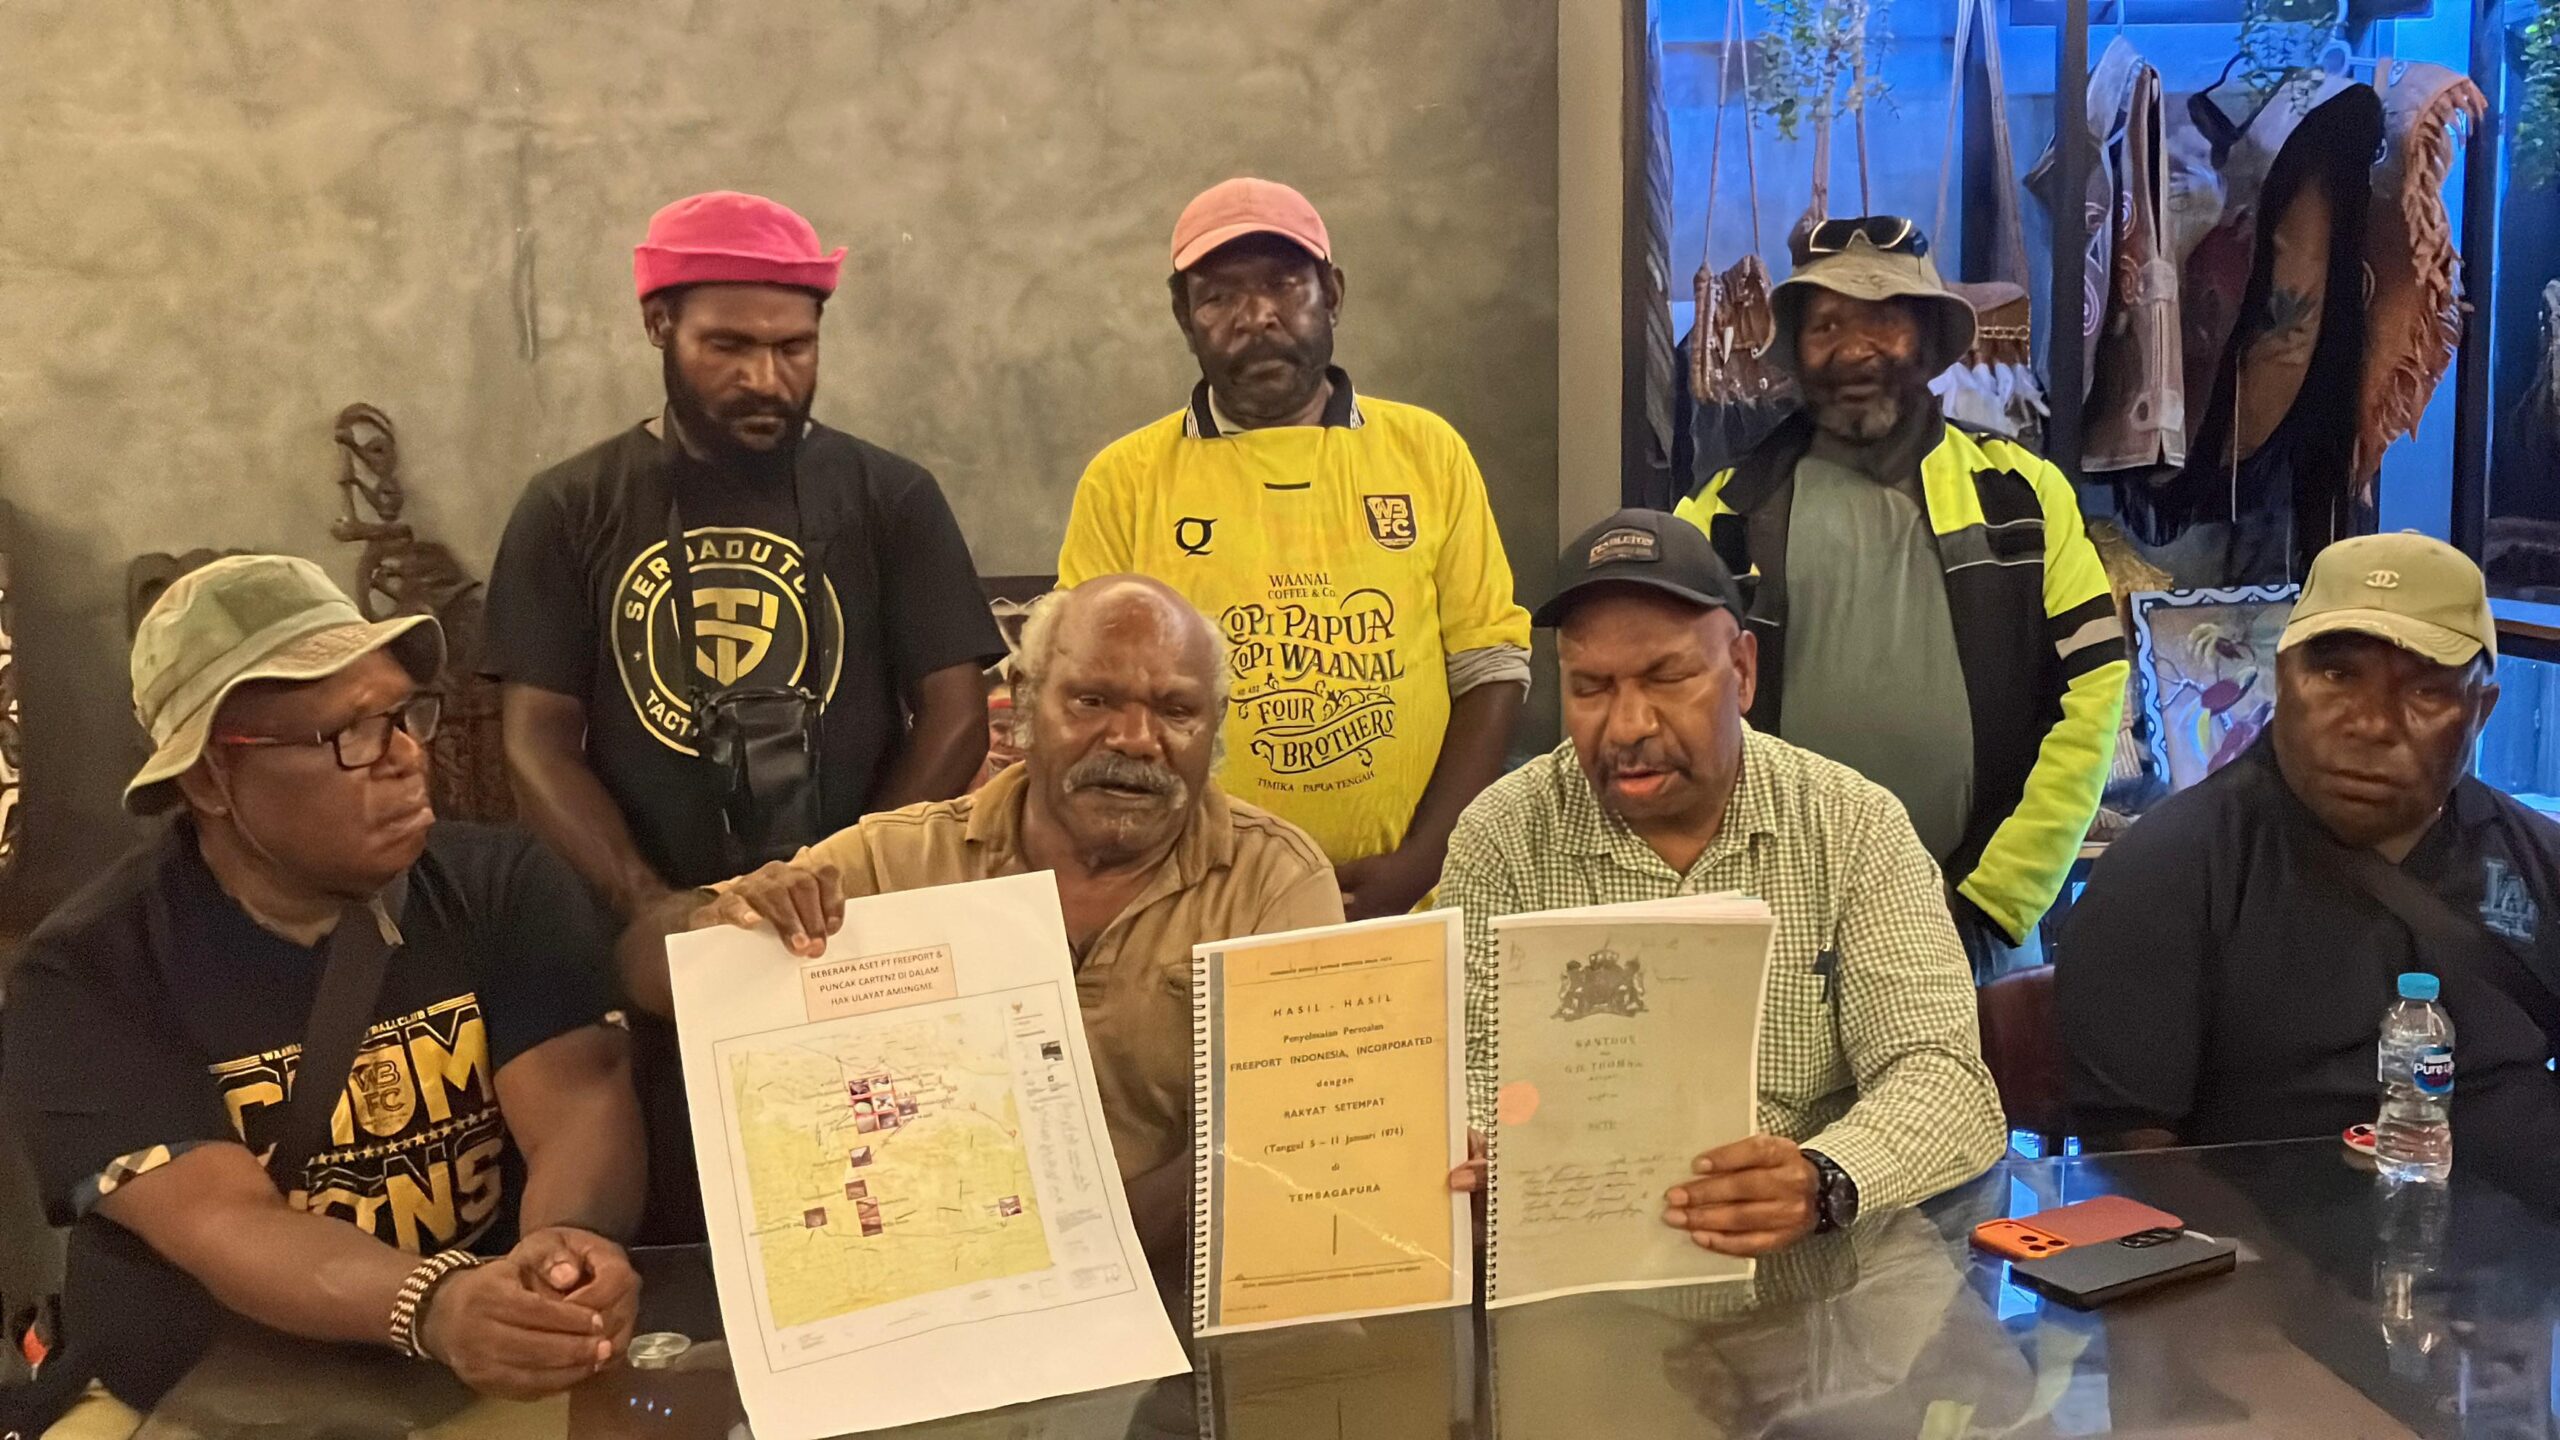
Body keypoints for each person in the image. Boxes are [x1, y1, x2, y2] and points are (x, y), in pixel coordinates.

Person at [0, 556, 645, 1423]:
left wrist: (565, 1254)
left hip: (472, 1362)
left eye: (403, 716)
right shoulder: (90, 970)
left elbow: (577, 1103)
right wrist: (433, 1305)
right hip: (212, 1390)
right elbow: (227, 1224)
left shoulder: (503, 886)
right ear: (209, 779)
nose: (406, 757)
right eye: (347, 734)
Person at [481, 191, 1006, 1235]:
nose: (767, 377)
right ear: (658, 326)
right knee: (677, 1228)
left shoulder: (890, 496)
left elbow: (955, 713)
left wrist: (845, 879)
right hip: (646, 948)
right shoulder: (570, 505)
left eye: (793, 348)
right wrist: (655, 905)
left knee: (874, 1214)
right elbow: (534, 738)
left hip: (853, 941)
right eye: (728, 346)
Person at [617, 575, 1344, 1279]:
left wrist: (1067, 1258)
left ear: (1214, 724)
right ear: (1024, 699)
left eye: (1176, 710)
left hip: (1175, 1284)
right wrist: (719, 919)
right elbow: (648, 971)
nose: (1133, 739)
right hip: (918, 1285)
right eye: (1092, 700)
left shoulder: (1274, 881)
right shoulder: (898, 857)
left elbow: (1286, 1138)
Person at [1441, 510, 2007, 1258]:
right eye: (1591, 688)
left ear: (1741, 672)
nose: (1628, 726)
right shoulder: (1504, 838)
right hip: (1582, 1265)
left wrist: (1823, 1179)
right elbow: (1470, 1078)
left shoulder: (1851, 826)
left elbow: (1945, 1080)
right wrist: (1480, 1158)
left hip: (1823, 1272)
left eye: (1667, 678)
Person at [1058, 177, 1532, 921]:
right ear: (1184, 316)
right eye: (1219, 296)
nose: (1257, 316)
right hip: (1195, 902)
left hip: (1408, 901)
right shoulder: (1125, 482)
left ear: (1332, 294)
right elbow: (1088, 705)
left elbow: (1490, 667)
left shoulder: (1427, 452)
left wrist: (1423, 861)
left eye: (1284, 284)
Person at [1673, 216, 2125, 976]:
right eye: (1827, 325)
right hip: (1779, 929)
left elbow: (2094, 693)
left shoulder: (2023, 496)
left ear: (1927, 338)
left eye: (1883, 320)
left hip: (1976, 929)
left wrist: (1992, 899)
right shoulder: (1722, 515)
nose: (1856, 348)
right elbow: (1679, 703)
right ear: (1797, 350)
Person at [2060, 533, 2560, 1198]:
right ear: (2282, 675)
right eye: (2336, 675)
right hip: (2269, 1254)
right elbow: (2131, 1156)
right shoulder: (2166, 871)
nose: (2372, 724)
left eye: (2425, 689)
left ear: (2482, 710)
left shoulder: (2539, 860)